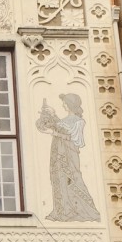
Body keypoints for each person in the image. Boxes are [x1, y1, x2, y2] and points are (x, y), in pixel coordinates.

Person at [36, 93, 100, 222]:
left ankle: (80, 210)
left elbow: (74, 139)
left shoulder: (78, 121)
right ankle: (61, 211)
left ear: (71, 104)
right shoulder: (65, 120)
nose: (63, 104)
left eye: (65, 102)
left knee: (72, 179)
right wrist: (49, 117)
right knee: (58, 180)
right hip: (57, 154)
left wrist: (54, 130)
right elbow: (55, 126)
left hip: (68, 155)